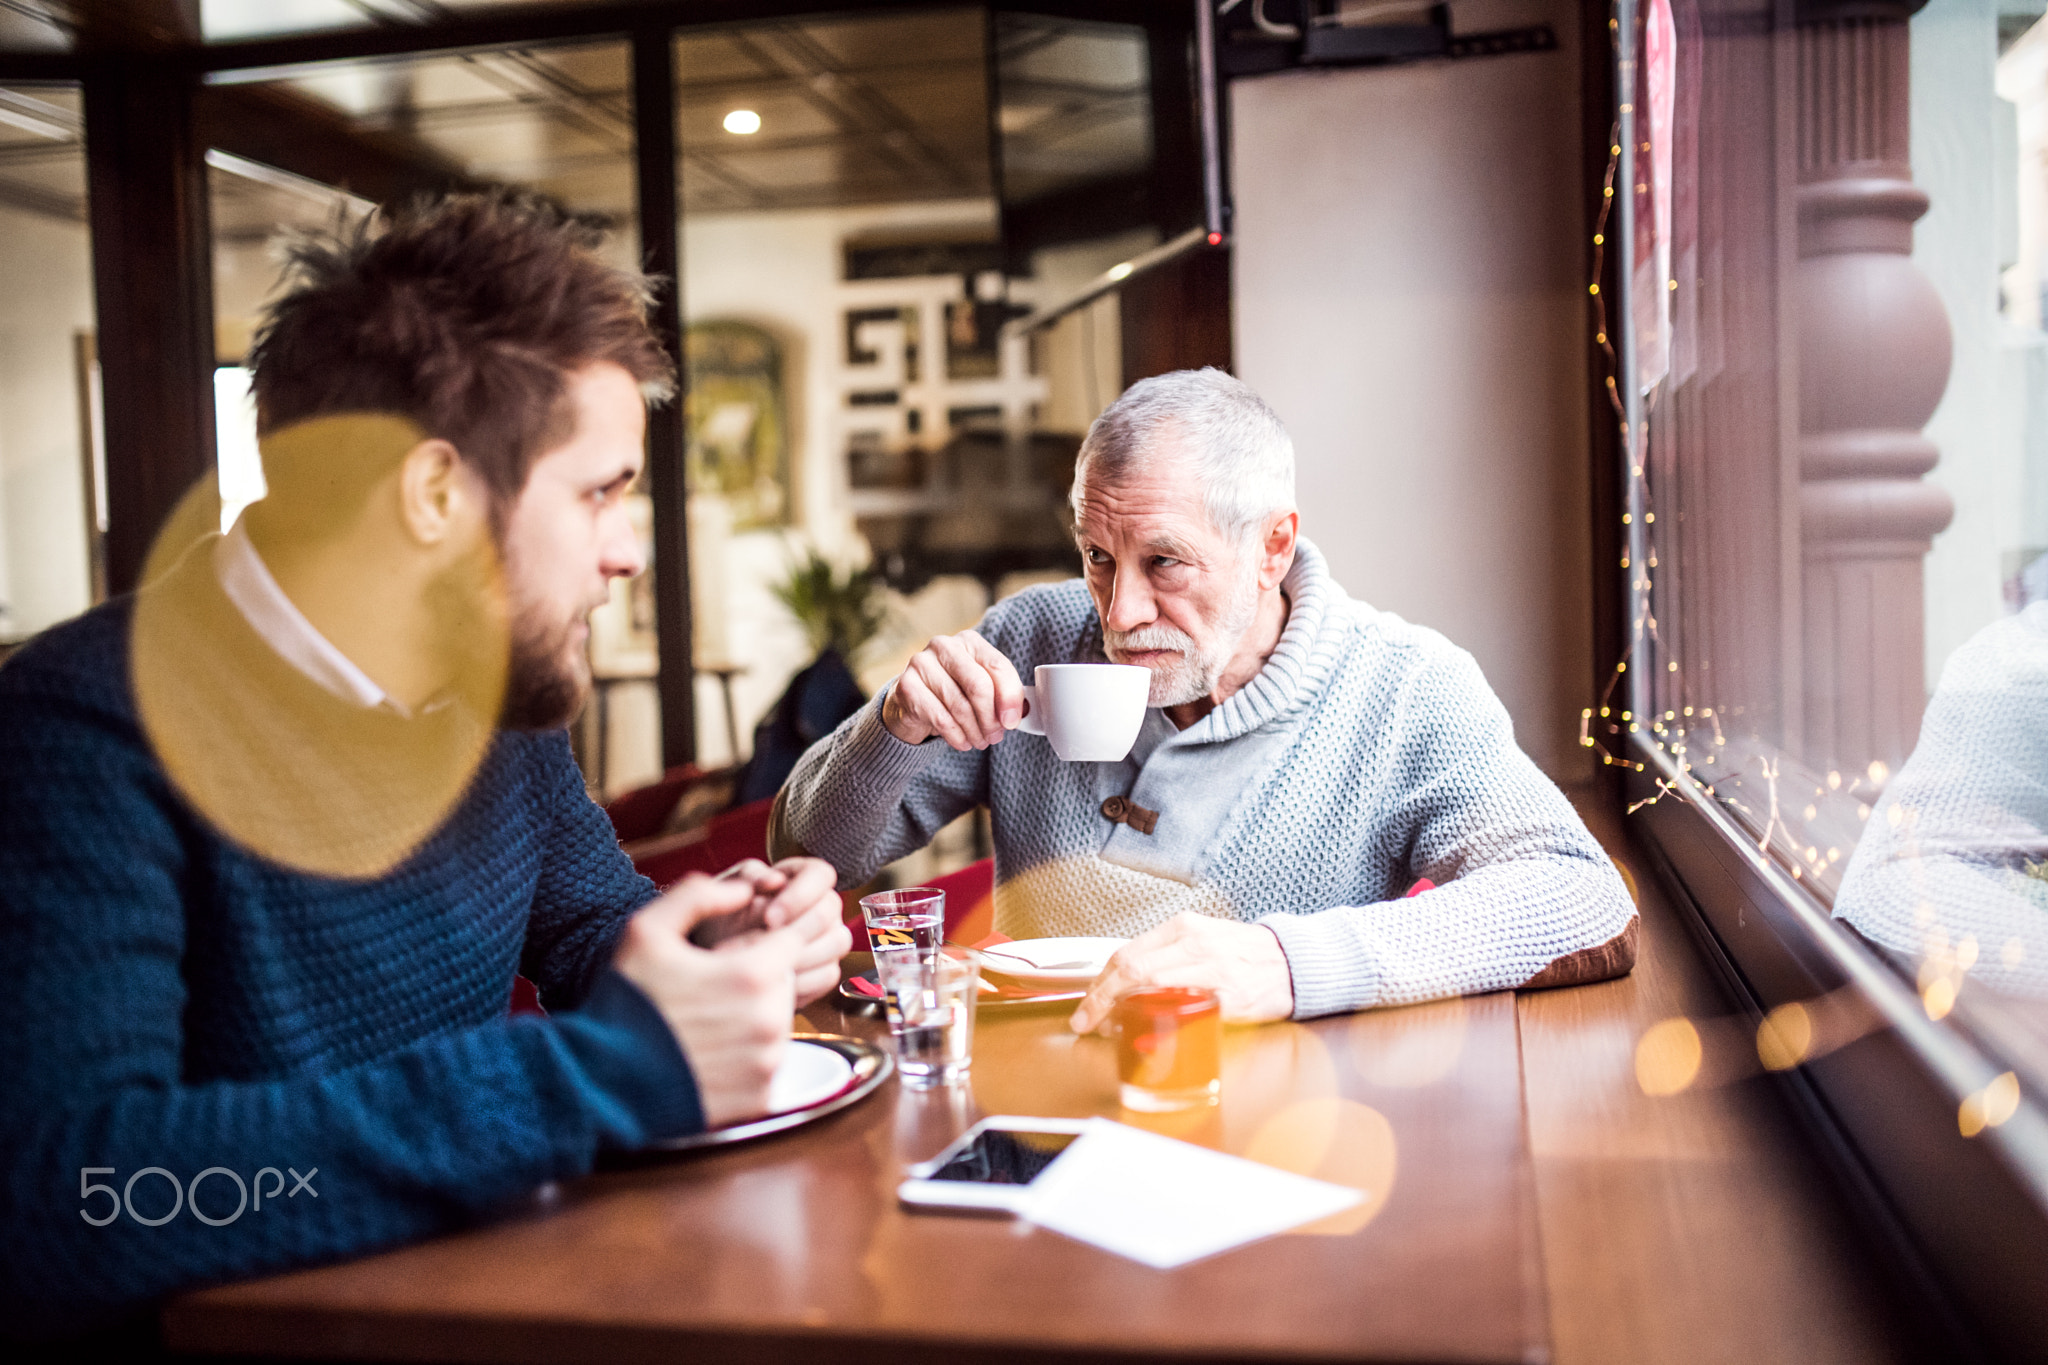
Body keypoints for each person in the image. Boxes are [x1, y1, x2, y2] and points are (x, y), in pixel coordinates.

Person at [0, 194, 848, 1340]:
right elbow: (78, 1200)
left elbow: (597, 929)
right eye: (599, 492)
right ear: (434, 496)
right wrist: (590, 1078)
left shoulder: (491, 685)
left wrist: (718, 950)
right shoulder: (81, 731)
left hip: (492, 1301)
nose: (629, 552)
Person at [773, 368, 1635, 1031]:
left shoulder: (1402, 687)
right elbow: (805, 852)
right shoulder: (1031, 637)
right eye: (1098, 557)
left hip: (1285, 1123)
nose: (1118, 614)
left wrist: (1284, 963)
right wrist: (891, 726)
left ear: (1272, 546)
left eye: (1164, 562)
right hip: (1037, 1097)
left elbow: (1581, 898)